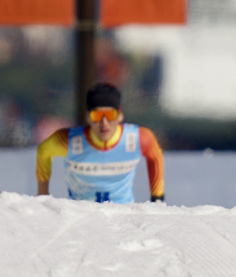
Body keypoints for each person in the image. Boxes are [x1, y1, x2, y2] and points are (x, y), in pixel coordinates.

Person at [36, 82, 165, 204]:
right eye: (97, 116)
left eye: (110, 115)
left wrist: (157, 197)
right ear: (88, 117)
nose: (104, 123)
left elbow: (155, 156)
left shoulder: (138, 138)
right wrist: (43, 195)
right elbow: (43, 151)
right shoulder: (69, 141)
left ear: (120, 116)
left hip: (123, 214)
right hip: (81, 214)